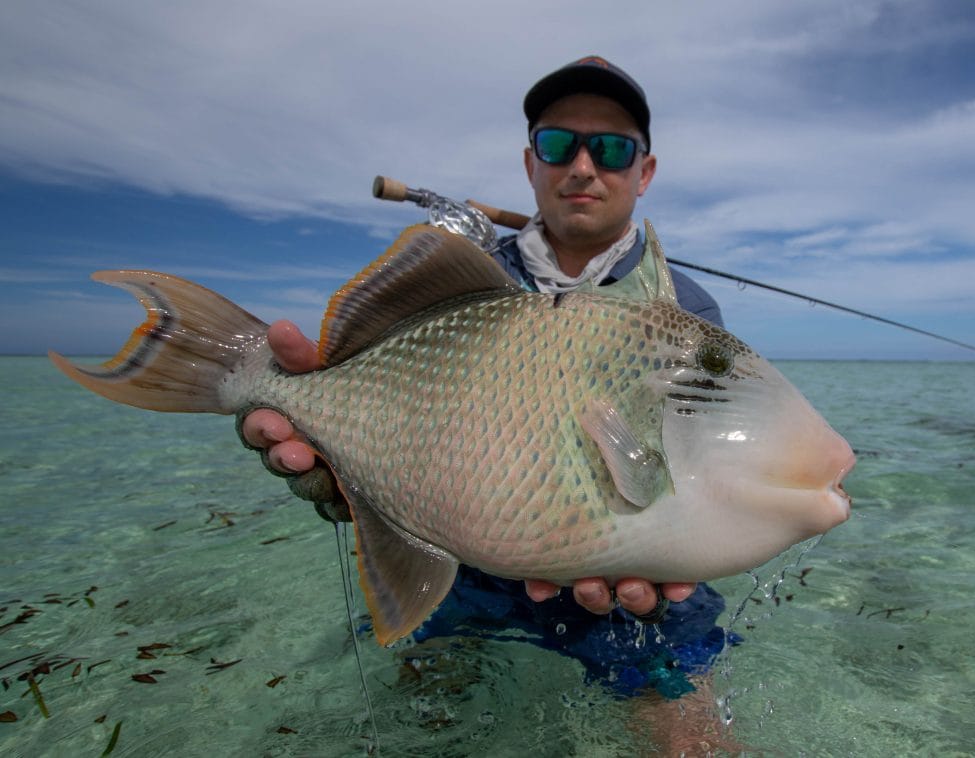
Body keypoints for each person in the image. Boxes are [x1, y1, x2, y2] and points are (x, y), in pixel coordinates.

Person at [242, 56, 737, 743]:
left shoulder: (688, 309)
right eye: (559, 144)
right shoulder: (465, 281)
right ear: (531, 162)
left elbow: (697, 462)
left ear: (644, 171)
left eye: (613, 147)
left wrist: (680, 543)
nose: (584, 166)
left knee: (692, 738)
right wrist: (354, 478)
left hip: (630, 589)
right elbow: (388, 397)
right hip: (467, 562)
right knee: (423, 720)